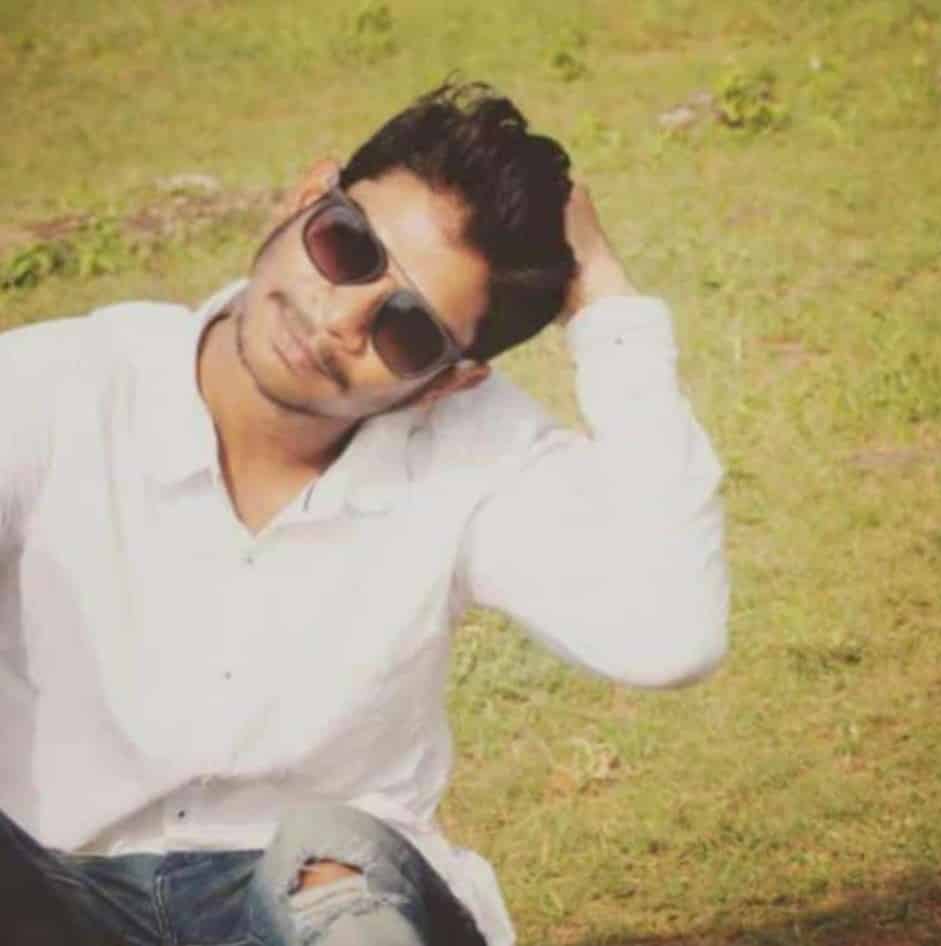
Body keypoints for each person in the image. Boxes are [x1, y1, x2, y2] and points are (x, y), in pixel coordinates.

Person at [0, 82, 728, 946]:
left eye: (408, 330)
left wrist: (606, 299)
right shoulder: (67, 386)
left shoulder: (470, 453)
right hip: (54, 894)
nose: (339, 319)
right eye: (347, 246)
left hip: (324, 909)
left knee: (325, 855)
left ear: (449, 381)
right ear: (308, 196)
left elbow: (669, 632)